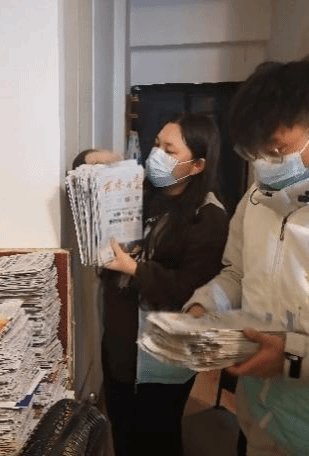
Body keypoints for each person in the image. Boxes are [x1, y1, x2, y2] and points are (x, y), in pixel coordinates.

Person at [183, 60, 309, 456]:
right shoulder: (258, 197)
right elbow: (237, 274)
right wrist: (204, 309)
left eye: (275, 151)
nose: (263, 165)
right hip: (259, 415)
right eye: (252, 153)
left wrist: (293, 357)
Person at [74, 113, 229, 456]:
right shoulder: (138, 189)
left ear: (198, 164)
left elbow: (189, 289)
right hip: (119, 342)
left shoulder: (208, 216)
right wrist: (93, 158)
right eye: (156, 144)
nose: (156, 154)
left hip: (162, 355)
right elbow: (80, 175)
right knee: (123, 430)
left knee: (158, 436)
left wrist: (134, 268)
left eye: (169, 150)